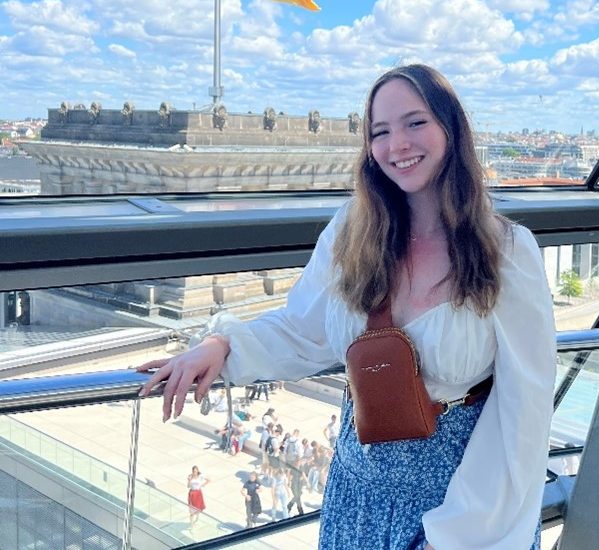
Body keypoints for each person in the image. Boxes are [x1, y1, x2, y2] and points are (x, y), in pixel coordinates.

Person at [139, 64, 557, 549]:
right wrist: (221, 344)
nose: (397, 143)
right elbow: (304, 330)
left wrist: (468, 530)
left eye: (415, 122)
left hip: (466, 505)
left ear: (451, 128)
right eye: (380, 132)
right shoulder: (351, 232)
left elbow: (525, 405)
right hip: (358, 496)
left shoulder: (506, 250)